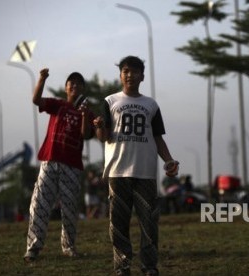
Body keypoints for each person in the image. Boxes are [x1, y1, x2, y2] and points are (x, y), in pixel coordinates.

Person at [94, 56, 178, 276]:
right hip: (118, 171)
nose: (129, 75)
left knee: (149, 222)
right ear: (121, 75)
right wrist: (100, 127)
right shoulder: (110, 101)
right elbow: (104, 136)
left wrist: (168, 160)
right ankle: (122, 267)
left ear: (142, 75)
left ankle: (149, 267)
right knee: (118, 224)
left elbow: (157, 138)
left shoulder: (151, 105)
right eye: (125, 71)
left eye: (134, 71)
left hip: (145, 172)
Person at [23, 68, 95, 262]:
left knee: (70, 208)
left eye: (79, 84)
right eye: (71, 83)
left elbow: (86, 135)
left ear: (83, 89)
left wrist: (85, 116)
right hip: (50, 160)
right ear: (66, 88)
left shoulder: (86, 111)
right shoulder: (58, 105)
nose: (74, 86)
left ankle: (69, 247)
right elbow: (36, 100)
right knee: (39, 204)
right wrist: (42, 79)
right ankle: (33, 247)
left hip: (71, 165)